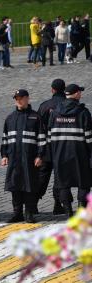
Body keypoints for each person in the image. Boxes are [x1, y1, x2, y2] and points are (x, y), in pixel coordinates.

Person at [1, 89, 46, 223]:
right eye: (16, 98)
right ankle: (17, 213)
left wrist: (40, 155)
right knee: (15, 186)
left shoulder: (36, 117)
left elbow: (42, 138)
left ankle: (29, 213)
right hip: (14, 159)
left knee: (30, 186)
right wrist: (4, 155)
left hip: (30, 159)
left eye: (21, 98)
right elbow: (5, 138)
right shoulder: (10, 118)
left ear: (27, 98)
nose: (18, 101)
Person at [48, 84, 92, 217]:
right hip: (80, 154)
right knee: (84, 182)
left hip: (60, 155)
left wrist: (53, 154)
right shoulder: (83, 112)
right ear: (76, 94)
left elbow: (49, 136)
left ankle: (67, 210)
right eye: (80, 92)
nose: (81, 94)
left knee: (62, 183)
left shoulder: (55, 112)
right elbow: (89, 137)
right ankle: (81, 210)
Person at [36, 79, 66, 215]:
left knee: (42, 176)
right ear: (64, 90)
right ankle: (57, 204)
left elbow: (37, 127)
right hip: (63, 147)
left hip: (46, 147)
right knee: (60, 177)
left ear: (52, 90)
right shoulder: (67, 105)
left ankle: (33, 203)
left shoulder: (44, 106)